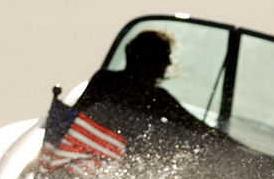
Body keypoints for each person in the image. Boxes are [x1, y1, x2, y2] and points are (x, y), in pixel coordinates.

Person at [73, 30, 223, 152]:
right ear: (149, 61)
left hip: (89, 155)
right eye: (165, 57)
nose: (168, 63)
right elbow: (199, 128)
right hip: (106, 158)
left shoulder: (104, 79)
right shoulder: (157, 98)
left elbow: (72, 115)